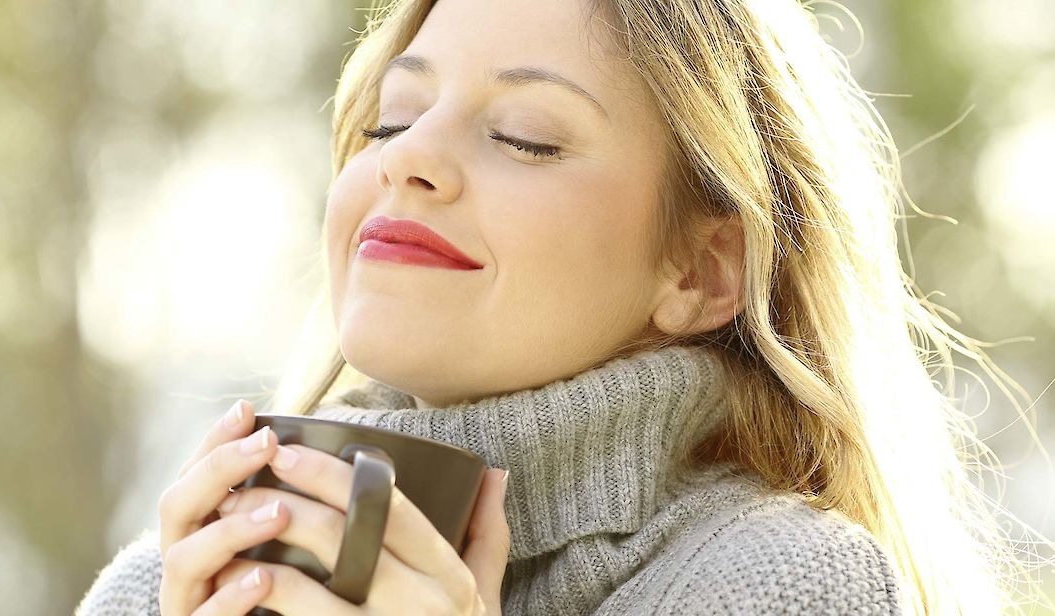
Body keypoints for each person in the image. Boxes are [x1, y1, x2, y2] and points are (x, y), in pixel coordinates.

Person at [76, 0, 1048, 613]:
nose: (406, 156)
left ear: (703, 272)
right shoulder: (167, 583)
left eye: (526, 136)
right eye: (394, 118)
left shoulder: (782, 584)